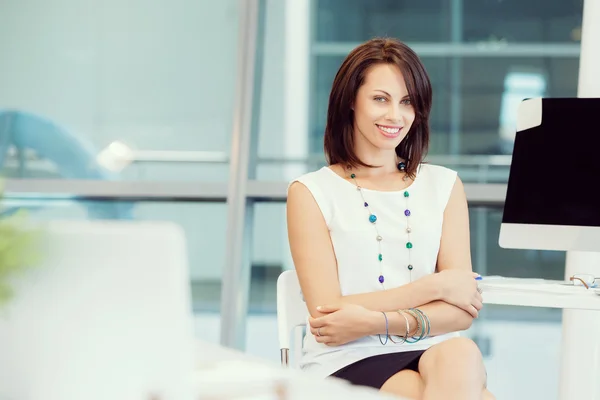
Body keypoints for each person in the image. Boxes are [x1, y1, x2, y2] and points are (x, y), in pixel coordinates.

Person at [286, 38, 495, 400]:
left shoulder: (444, 185)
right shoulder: (310, 192)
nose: (395, 116)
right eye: (380, 99)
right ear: (351, 100)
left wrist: (374, 321)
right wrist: (435, 287)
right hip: (347, 358)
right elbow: (326, 315)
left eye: (407, 101)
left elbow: (462, 312)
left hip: (438, 348)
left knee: (461, 350)